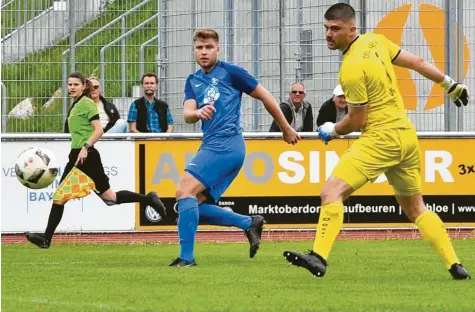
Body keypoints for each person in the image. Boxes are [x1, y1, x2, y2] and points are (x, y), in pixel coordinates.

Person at [283, 3, 470, 280]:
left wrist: (332, 130)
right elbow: (417, 63)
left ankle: (319, 256)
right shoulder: (376, 41)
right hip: (406, 137)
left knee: (331, 192)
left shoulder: (350, 69)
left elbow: (356, 121)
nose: (329, 34)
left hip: (381, 138)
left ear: (351, 29)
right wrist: (450, 84)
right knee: (416, 208)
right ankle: (455, 265)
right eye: (326, 28)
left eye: (335, 29)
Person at [170, 28, 300, 267]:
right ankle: (248, 222)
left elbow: (266, 96)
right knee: (189, 203)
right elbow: (188, 114)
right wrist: (197, 112)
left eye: (209, 47)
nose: (204, 52)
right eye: (199, 48)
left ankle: (186, 259)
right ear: (194, 51)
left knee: (183, 191)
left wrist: (286, 127)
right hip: (212, 145)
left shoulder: (231, 72)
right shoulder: (193, 80)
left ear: (218, 49)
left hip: (227, 144)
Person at [25, 72, 167, 249]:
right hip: (77, 155)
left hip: (86, 157)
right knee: (110, 199)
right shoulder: (77, 104)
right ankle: (149, 199)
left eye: (75, 84)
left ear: (84, 86)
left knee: (61, 197)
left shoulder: (87, 104)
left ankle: (46, 239)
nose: (71, 88)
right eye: (69, 85)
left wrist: (86, 147)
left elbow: (98, 130)